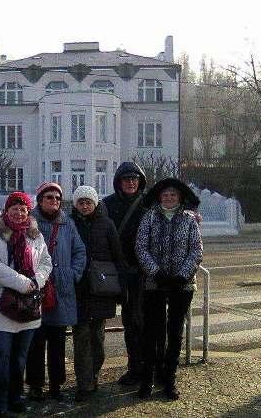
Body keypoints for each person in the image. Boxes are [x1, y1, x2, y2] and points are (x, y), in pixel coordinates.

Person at [0, 191, 52, 418]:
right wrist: (24, 283)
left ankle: (15, 396)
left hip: (28, 304)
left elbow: (45, 262)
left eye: (23, 209)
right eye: (14, 208)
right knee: (1, 355)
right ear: (7, 210)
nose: (19, 212)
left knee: (20, 356)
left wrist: (36, 281)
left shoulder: (34, 234)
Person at [135, 177, 202, 400]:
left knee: (175, 333)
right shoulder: (149, 218)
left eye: (173, 195)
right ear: (159, 197)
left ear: (180, 197)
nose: (169, 198)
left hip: (181, 286)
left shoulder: (189, 221)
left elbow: (196, 252)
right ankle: (147, 380)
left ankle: (170, 381)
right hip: (155, 284)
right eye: (165, 195)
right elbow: (141, 248)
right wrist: (157, 272)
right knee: (152, 332)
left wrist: (181, 275)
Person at [25, 182, 86, 401]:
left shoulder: (68, 223)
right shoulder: (29, 223)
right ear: (40, 200)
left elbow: (79, 251)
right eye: (49, 197)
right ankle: (35, 385)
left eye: (57, 198)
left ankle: (56, 385)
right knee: (35, 341)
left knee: (58, 342)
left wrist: (73, 274)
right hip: (36, 290)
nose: (54, 201)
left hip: (61, 289)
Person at [70, 185, 121, 402]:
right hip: (79, 289)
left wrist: (120, 286)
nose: (84, 205)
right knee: (81, 339)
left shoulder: (107, 224)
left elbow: (117, 254)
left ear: (95, 203)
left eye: (88, 202)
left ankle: (94, 373)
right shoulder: (69, 224)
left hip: (100, 289)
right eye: (80, 202)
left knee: (98, 339)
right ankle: (85, 384)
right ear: (76, 205)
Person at [102, 162, 148, 385]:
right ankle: (135, 366)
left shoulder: (150, 204)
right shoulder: (108, 205)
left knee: (148, 323)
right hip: (120, 272)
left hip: (146, 273)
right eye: (126, 179)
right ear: (119, 182)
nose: (131, 183)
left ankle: (152, 366)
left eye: (135, 179)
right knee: (130, 322)